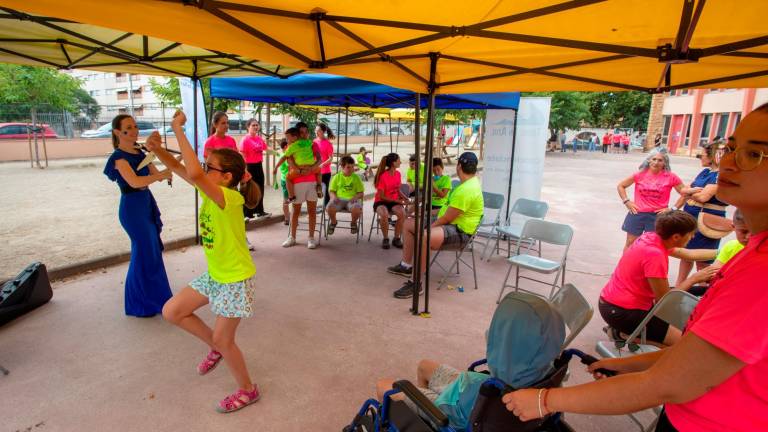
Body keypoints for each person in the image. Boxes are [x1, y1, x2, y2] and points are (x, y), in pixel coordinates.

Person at [501, 104, 768, 432]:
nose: (727, 162)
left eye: (753, 153)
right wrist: (626, 365)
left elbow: (669, 381)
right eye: (730, 148)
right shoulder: (752, 253)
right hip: (671, 387)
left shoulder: (760, 273)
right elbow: (686, 355)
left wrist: (545, 400)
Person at [148, 110, 262, 414]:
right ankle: (215, 347)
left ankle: (248, 390)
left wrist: (177, 129)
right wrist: (157, 149)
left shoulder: (230, 198)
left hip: (235, 279)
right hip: (216, 274)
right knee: (173, 311)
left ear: (226, 177)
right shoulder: (211, 189)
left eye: (210, 165)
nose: (202, 168)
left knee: (227, 342)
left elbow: (195, 173)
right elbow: (179, 166)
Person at [376, 292, 564, 431]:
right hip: (470, 388)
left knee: (385, 386)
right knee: (424, 366)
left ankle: (426, 417)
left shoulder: (499, 392)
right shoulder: (547, 373)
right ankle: (421, 407)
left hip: (454, 413)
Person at [599, 211, 717, 347]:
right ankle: (623, 335)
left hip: (609, 302)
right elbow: (664, 301)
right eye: (690, 234)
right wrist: (694, 278)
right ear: (676, 237)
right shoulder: (655, 255)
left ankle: (629, 333)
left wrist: (723, 252)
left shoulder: (651, 238)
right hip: (622, 312)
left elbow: (688, 254)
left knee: (684, 303)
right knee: (684, 345)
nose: (693, 237)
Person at [103, 115, 173, 317]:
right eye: (128, 128)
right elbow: (134, 182)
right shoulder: (118, 158)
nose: (134, 131)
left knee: (152, 252)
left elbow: (156, 172)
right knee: (142, 252)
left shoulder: (140, 152)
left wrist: (167, 164)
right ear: (117, 132)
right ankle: (139, 304)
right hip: (132, 208)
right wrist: (161, 175)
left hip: (145, 203)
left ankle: (159, 299)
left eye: (134, 126)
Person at [388, 152, 484, 299]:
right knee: (408, 223)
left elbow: (447, 218)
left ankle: (416, 283)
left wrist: (428, 226)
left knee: (425, 236)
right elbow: (446, 210)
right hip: (451, 223)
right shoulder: (467, 184)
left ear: (459, 166)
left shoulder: (466, 189)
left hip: (461, 232)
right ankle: (406, 266)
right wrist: (425, 214)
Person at [674, 142, 727, 286]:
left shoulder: (721, 176)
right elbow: (684, 191)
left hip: (706, 220)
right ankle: (680, 286)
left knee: (703, 260)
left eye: (701, 155)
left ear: (711, 157)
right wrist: (692, 192)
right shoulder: (705, 172)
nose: (700, 158)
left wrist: (690, 192)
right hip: (692, 217)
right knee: (686, 255)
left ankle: (704, 291)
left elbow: (703, 197)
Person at [617, 149, 684, 250]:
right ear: (649, 160)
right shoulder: (639, 174)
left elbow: (685, 193)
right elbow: (621, 185)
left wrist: (673, 209)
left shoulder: (671, 177)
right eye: (654, 159)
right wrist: (627, 201)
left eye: (660, 160)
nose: (656, 162)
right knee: (631, 243)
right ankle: (626, 265)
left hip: (658, 216)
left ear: (665, 162)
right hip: (637, 213)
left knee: (654, 245)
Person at [274, 128, 321, 249]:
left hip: (311, 181)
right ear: (297, 135)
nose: (304, 134)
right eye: (302, 132)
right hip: (298, 181)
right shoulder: (292, 146)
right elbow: (289, 161)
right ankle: (292, 237)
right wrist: (299, 170)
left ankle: (311, 238)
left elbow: (319, 160)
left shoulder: (312, 144)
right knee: (295, 211)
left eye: (306, 132)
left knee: (312, 211)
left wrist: (310, 169)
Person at [273, 127, 322, 204]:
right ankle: (319, 186)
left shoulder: (292, 147)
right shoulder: (309, 142)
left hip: (299, 168)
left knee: (288, 178)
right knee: (319, 172)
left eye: (287, 138)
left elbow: (284, 158)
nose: (287, 141)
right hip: (311, 167)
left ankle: (291, 196)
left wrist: (276, 167)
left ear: (295, 137)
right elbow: (314, 149)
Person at [373, 153, 407, 250]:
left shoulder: (398, 174)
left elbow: (398, 189)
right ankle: (385, 238)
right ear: (393, 163)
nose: (400, 162)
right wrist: (397, 200)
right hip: (381, 201)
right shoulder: (383, 176)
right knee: (384, 214)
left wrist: (405, 198)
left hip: (393, 201)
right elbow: (382, 196)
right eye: (398, 160)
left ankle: (396, 238)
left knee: (402, 214)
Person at [327, 156, 365, 235]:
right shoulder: (336, 177)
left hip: (352, 199)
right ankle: (334, 222)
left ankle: (353, 223)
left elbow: (361, 193)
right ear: (342, 167)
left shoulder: (356, 177)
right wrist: (333, 197)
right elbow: (331, 191)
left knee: (357, 209)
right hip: (339, 199)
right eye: (348, 167)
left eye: (352, 167)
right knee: (329, 208)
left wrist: (356, 197)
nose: (351, 169)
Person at [239, 119, 268, 219]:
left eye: (257, 125)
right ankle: (247, 213)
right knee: (249, 190)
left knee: (260, 188)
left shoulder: (259, 139)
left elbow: (266, 149)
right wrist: (244, 169)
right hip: (249, 167)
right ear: (248, 127)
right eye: (253, 125)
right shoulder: (245, 139)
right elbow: (242, 155)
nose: (256, 127)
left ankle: (260, 211)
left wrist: (281, 153)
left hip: (259, 166)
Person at [314, 122, 335, 207]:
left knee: (325, 192)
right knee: (314, 190)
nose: (316, 131)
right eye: (315, 130)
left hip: (325, 172)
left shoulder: (328, 143)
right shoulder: (314, 142)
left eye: (318, 130)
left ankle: (327, 209)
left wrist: (322, 165)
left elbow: (331, 158)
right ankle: (313, 209)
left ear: (322, 131)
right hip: (315, 170)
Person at [275, 138, 291, 225]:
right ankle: (287, 218)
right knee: (287, 200)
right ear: (286, 146)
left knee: (288, 199)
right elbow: (290, 168)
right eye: (290, 145)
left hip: (285, 179)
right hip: (287, 180)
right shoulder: (285, 156)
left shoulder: (283, 154)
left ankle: (288, 218)